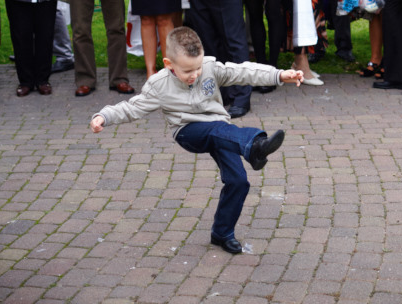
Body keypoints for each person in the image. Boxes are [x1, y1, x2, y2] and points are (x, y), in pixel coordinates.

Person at [89, 27, 300, 254]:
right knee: (216, 131)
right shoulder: (158, 85)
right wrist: (104, 116)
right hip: (189, 131)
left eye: (198, 67)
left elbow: (243, 72)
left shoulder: (209, 68)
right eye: (188, 70)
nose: (195, 74)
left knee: (238, 181)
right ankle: (254, 146)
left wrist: (278, 75)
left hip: (222, 131)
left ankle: (222, 233)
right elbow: (132, 108)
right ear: (169, 64)